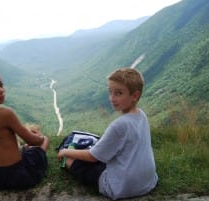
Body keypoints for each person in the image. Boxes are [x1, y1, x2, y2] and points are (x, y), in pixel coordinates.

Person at [57, 68, 158, 200]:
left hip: (122, 187)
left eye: (119, 93)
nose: (112, 98)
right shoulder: (142, 116)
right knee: (102, 158)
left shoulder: (119, 125)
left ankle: (65, 162)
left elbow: (92, 157)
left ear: (135, 96)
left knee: (83, 166)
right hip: (147, 181)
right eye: (110, 92)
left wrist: (65, 151)